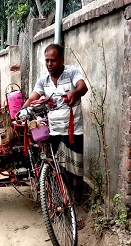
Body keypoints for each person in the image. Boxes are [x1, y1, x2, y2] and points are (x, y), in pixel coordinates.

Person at [22, 43, 88, 227]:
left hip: (73, 131)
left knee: (76, 173)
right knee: (59, 170)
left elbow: (83, 87)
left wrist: (74, 92)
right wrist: (23, 110)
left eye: (53, 60)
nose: (49, 64)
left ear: (61, 60)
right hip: (54, 131)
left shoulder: (72, 72)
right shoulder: (43, 80)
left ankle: (76, 210)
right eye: (47, 60)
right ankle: (60, 205)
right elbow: (34, 96)